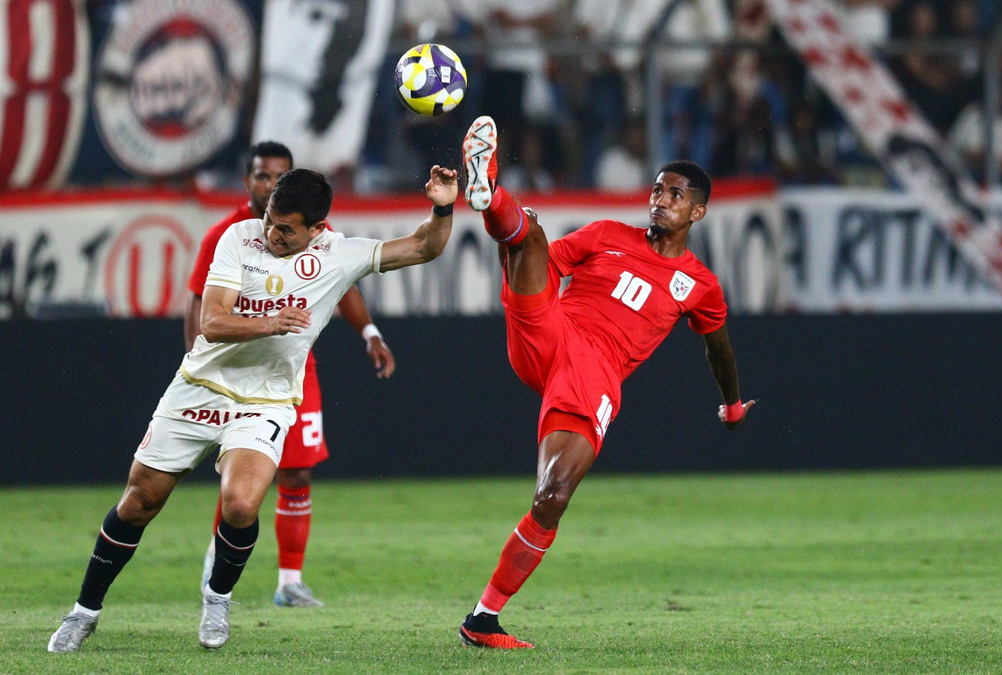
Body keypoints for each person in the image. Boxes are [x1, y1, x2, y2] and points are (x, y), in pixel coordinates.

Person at [48, 165, 458, 653]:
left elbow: (424, 246)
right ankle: (84, 612)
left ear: (316, 229)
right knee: (139, 501)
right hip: (201, 385)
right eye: (269, 219)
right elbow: (212, 321)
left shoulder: (339, 254)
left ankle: (217, 599)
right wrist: (272, 321)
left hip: (265, 400)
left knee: (241, 503)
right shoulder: (237, 239)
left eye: (286, 228)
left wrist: (443, 206)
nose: (272, 232)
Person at [457, 115, 754, 649]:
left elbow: (719, 348)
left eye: (675, 194)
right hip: (550, 331)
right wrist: (515, 248)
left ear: (698, 211)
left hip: (592, 374)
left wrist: (731, 405)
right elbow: (547, 265)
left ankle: (483, 620)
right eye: (658, 189)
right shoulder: (606, 235)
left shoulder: (701, 285)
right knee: (532, 238)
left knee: (551, 496)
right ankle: (489, 192)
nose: (660, 200)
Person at [186, 141, 395, 609]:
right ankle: (214, 571)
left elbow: (344, 284)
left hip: (293, 371)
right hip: (231, 373)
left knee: (297, 471)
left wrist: (369, 332)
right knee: (238, 479)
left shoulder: (314, 231)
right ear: (248, 181)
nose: (268, 184)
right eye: (262, 176)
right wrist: (198, 365)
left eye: (277, 176)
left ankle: (289, 582)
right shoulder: (228, 234)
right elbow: (200, 304)